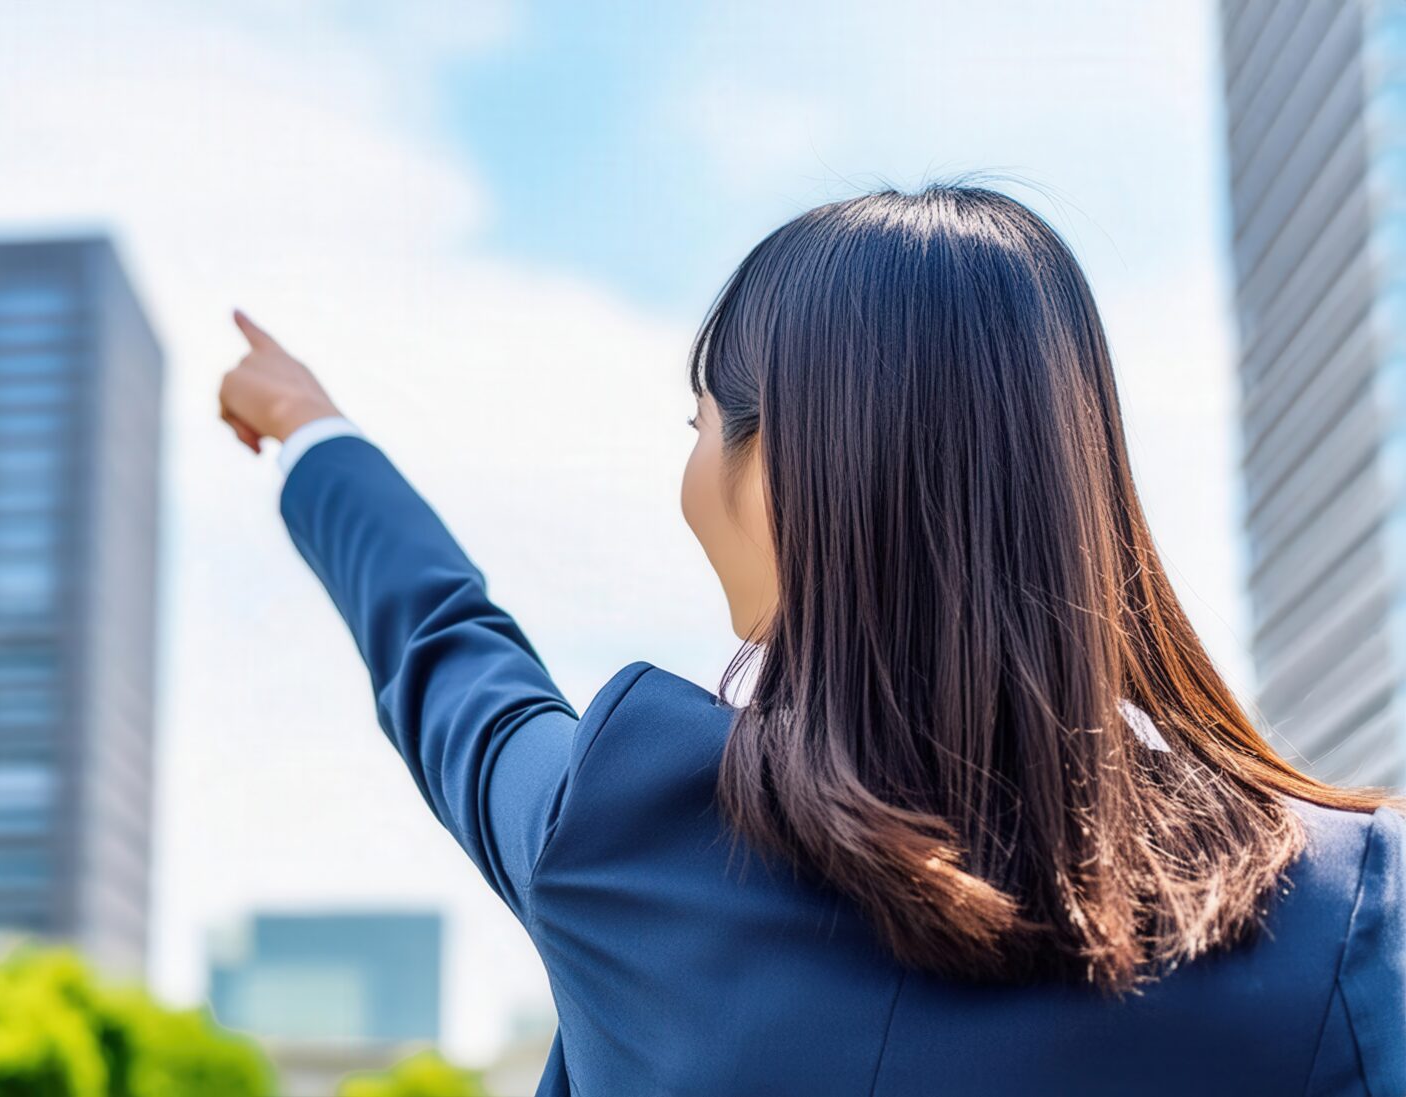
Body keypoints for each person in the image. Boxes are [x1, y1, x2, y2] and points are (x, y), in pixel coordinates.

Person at [216, 183, 1405, 1097]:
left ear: (775, 467)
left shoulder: (621, 829)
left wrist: (313, 428)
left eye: (698, 423)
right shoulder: (1350, 907)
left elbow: (450, 654)